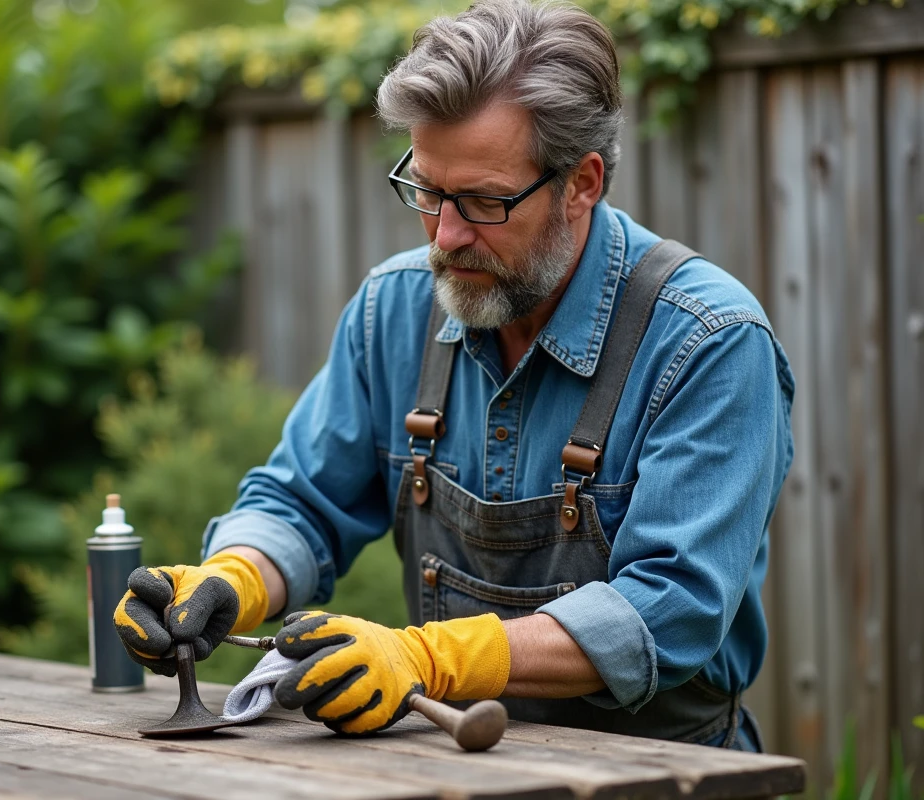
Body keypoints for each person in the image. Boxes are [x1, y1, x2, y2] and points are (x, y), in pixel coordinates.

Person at [115, 0, 794, 751]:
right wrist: (233, 579)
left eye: (483, 201)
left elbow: (667, 610)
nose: (446, 235)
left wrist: (432, 657)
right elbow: (303, 502)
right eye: (429, 191)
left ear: (582, 183)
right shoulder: (393, 309)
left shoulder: (710, 343)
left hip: (664, 775)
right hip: (456, 769)